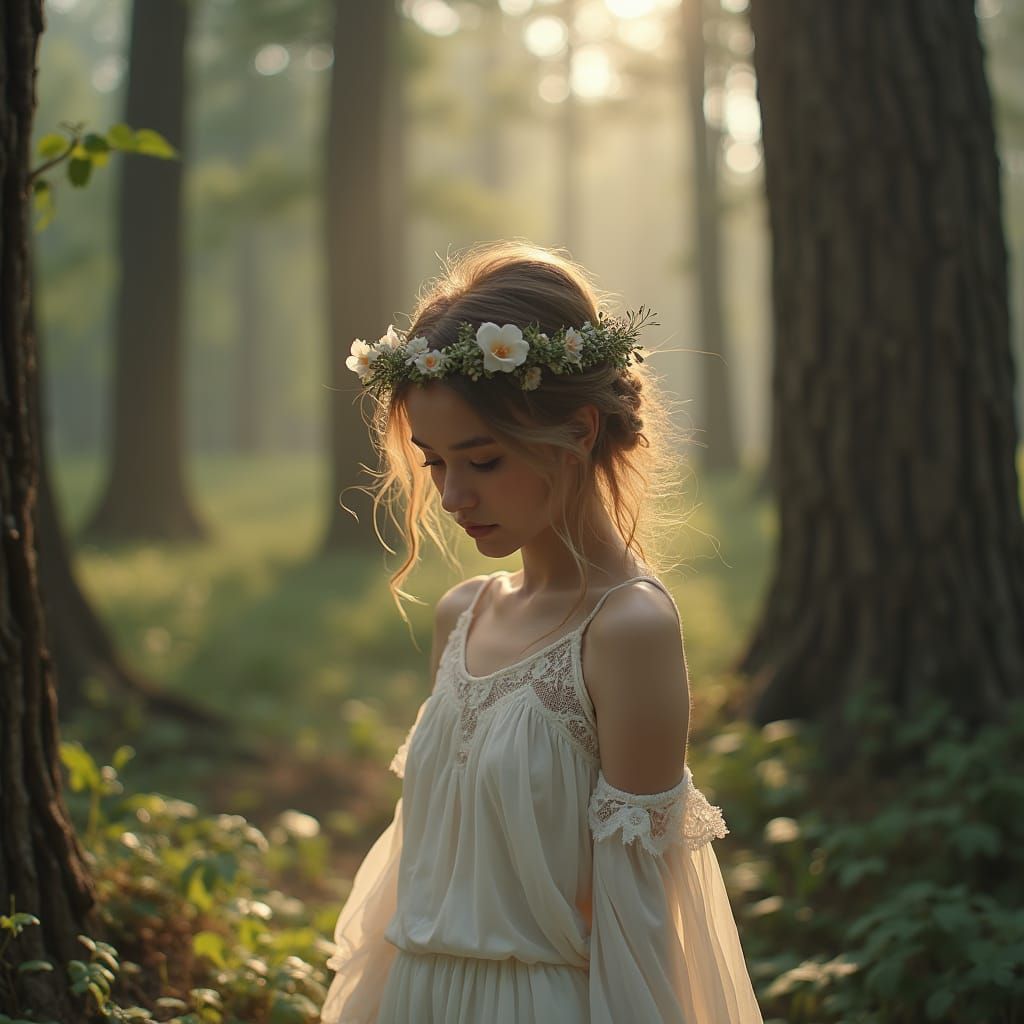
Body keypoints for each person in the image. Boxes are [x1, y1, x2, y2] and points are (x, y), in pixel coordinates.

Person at [320, 241, 763, 1023]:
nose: (454, 495)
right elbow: (420, 858)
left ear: (580, 429)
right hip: (417, 998)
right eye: (434, 464)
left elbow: (641, 906)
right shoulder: (464, 614)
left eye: (483, 461)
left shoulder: (627, 627)